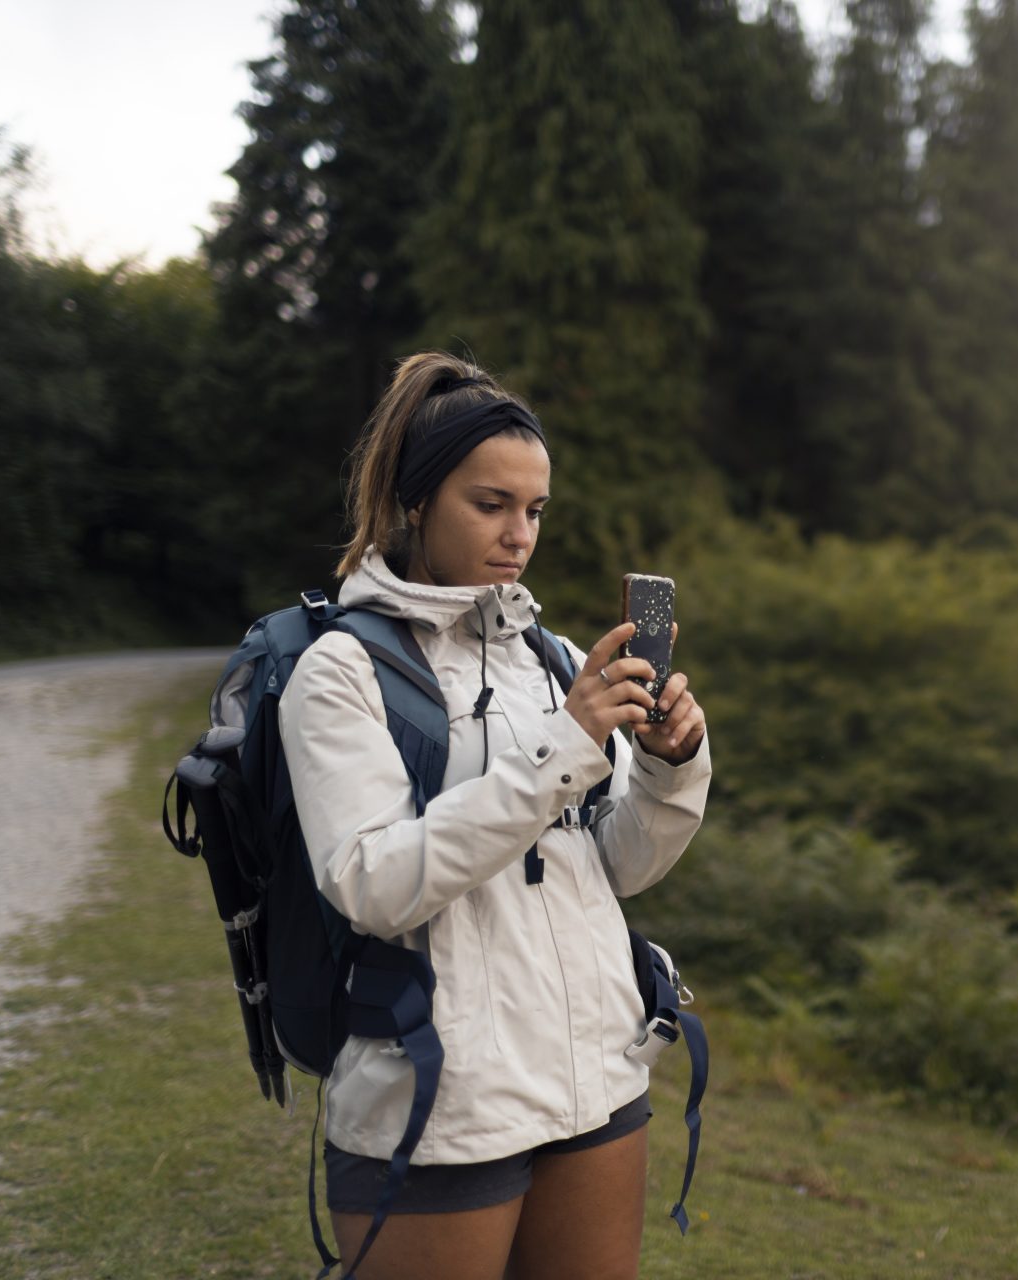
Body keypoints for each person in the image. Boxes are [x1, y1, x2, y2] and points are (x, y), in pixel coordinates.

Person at [278, 351, 711, 1280]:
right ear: (415, 501)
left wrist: (671, 768)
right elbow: (375, 884)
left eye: (536, 510)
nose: (520, 534)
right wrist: (563, 749)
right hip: (440, 1105)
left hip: (596, 1079)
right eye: (491, 505)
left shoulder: (549, 660)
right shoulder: (341, 672)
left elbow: (616, 868)